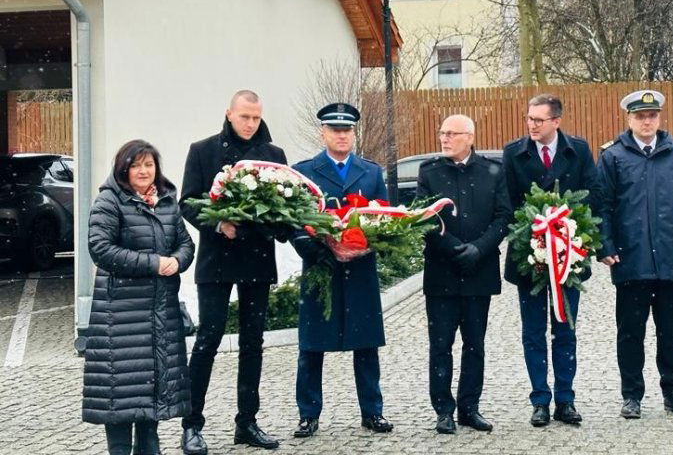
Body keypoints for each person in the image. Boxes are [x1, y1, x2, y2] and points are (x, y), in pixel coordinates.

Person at [179, 90, 287, 453]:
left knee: (252, 343)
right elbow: (189, 202)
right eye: (244, 117)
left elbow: (285, 207)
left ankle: (247, 422)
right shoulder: (203, 150)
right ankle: (191, 425)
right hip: (217, 260)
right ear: (229, 114)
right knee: (208, 339)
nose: (250, 124)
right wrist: (217, 224)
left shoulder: (274, 156)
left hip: (256, 258)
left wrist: (264, 224)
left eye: (256, 117)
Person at [596, 90, 673, 420]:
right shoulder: (612, 157)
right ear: (628, 119)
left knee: (670, 331)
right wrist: (605, 246)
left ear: (659, 118)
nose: (647, 121)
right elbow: (602, 205)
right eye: (640, 116)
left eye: (652, 115)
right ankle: (632, 395)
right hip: (631, 260)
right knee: (630, 332)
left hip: (670, 260)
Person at [83, 139, 195, 455]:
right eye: (136, 165)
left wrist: (178, 260)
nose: (143, 171)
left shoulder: (167, 202)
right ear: (124, 169)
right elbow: (101, 250)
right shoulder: (110, 202)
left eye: (149, 164)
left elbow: (186, 244)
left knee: (153, 399)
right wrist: (154, 263)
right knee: (121, 397)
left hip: (160, 314)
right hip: (121, 317)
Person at [290, 102, 393, 437]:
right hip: (321, 268)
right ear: (323, 133)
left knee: (366, 346)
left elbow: (387, 218)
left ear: (353, 133)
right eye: (335, 130)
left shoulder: (372, 172)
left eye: (346, 130)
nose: (341, 135)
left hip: (360, 269)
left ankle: (372, 412)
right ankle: (308, 414)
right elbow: (294, 220)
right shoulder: (304, 171)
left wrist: (368, 242)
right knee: (312, 346)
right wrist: (314, 249)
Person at [502, 93, 597, 427]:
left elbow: (591, 197)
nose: (532, 125)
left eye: (539, 120)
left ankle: (566, 400)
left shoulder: (579, 151)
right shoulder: (514, 153)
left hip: (568, 257)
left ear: (556, 121)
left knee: (565, 330)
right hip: (529, 258)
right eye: (529, 119)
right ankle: (540, 399)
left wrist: (571, 234)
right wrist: (535, 236)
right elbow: (508, 204)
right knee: (533, 332)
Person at [416, 114, 512, 434]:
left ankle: (470, 408)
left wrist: (479, 249)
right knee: (440, 346)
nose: (444, 138)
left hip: (479, 272)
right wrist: (455, 248)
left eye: (451, 133)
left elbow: (503, 217)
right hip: (442, 272)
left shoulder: (491, 171)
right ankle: (443, 410)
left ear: (469, 137)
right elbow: (424, 218)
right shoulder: (429, 172)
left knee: (475, 345)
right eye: (442, 132)